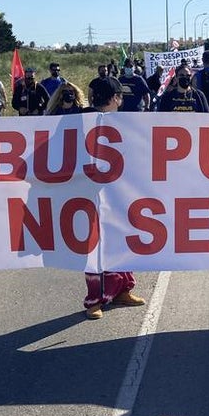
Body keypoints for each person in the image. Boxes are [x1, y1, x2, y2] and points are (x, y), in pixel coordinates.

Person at [80, 75, 146, 319]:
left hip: (119, 192)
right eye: (120, 96)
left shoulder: (122, 122)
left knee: (121, 241)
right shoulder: (80, 121)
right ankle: (95, 300)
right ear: (116, 98)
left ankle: (122, 290)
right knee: (95, 248)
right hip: (91, 194)